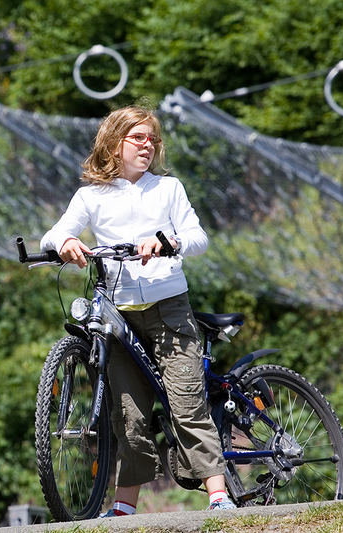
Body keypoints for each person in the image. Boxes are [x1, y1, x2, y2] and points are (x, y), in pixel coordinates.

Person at [40, 105, 236, 516]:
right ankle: (125, 507)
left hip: (168, 309)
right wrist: (65, 244)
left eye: (153, 140)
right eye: (139, 138)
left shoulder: (168, 188)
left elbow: (197, 236)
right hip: (119, 316)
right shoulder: (91, 195)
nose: (148, 146)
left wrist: (168, 241)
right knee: (127, 416)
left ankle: (219, 496)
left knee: (186, 403)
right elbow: (55, 232)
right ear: (115, 143)